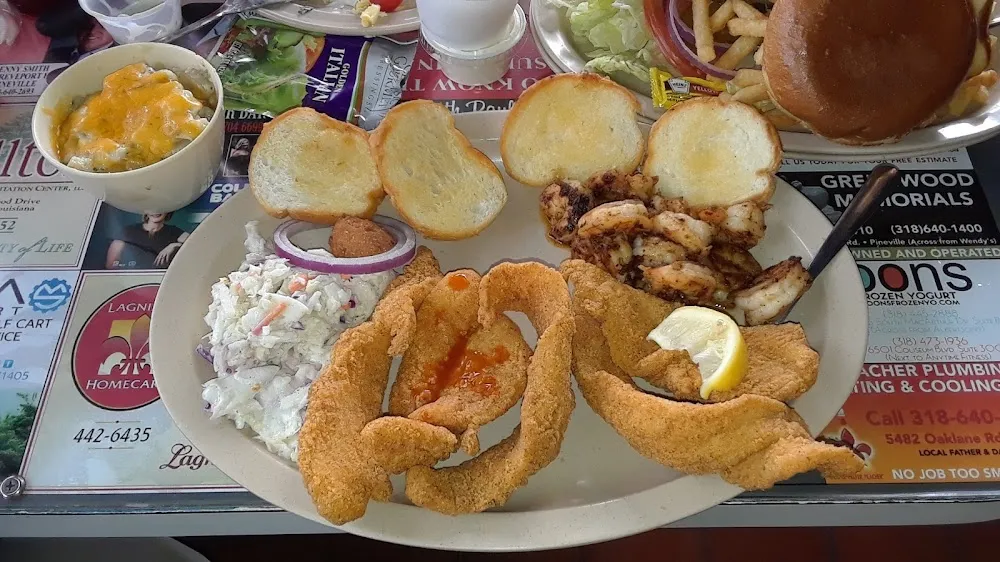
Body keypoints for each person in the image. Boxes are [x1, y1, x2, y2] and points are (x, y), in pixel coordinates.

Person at [106, 212, 189, 269]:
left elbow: (196, 243)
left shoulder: (174, 231)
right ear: (145, 211)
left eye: (161, 207)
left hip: (162, 282)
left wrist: (174, 245)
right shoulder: (128, 231)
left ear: (167, 211)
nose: (156, 212)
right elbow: (110, 264)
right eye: (152, 207)